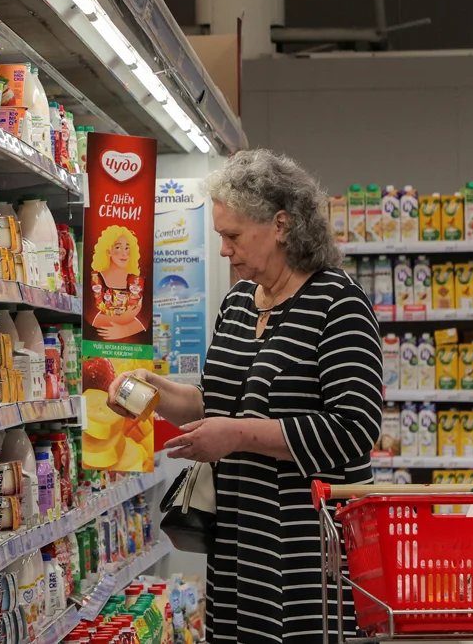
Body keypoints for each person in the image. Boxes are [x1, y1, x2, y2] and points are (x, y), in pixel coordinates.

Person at [108, 149, 382, 643]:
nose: (223, 251)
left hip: (308, 547)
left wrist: (236, 436)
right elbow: (218, 399)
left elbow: (354, 429)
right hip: (239, 535)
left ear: (280, 225)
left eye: (232, 236)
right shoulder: (237, 303)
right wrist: (157, 393)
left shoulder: (338, 303)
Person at [90, 224, 146, 340]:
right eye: (118, 247)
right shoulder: (95, 278)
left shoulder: (136, 282)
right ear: (108, 250)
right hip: (99, 348)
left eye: (127, 248)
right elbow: (91, 317)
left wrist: (124, 330)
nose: (124, 253)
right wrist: (124, 319)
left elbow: (146, 319)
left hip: (133, 351)